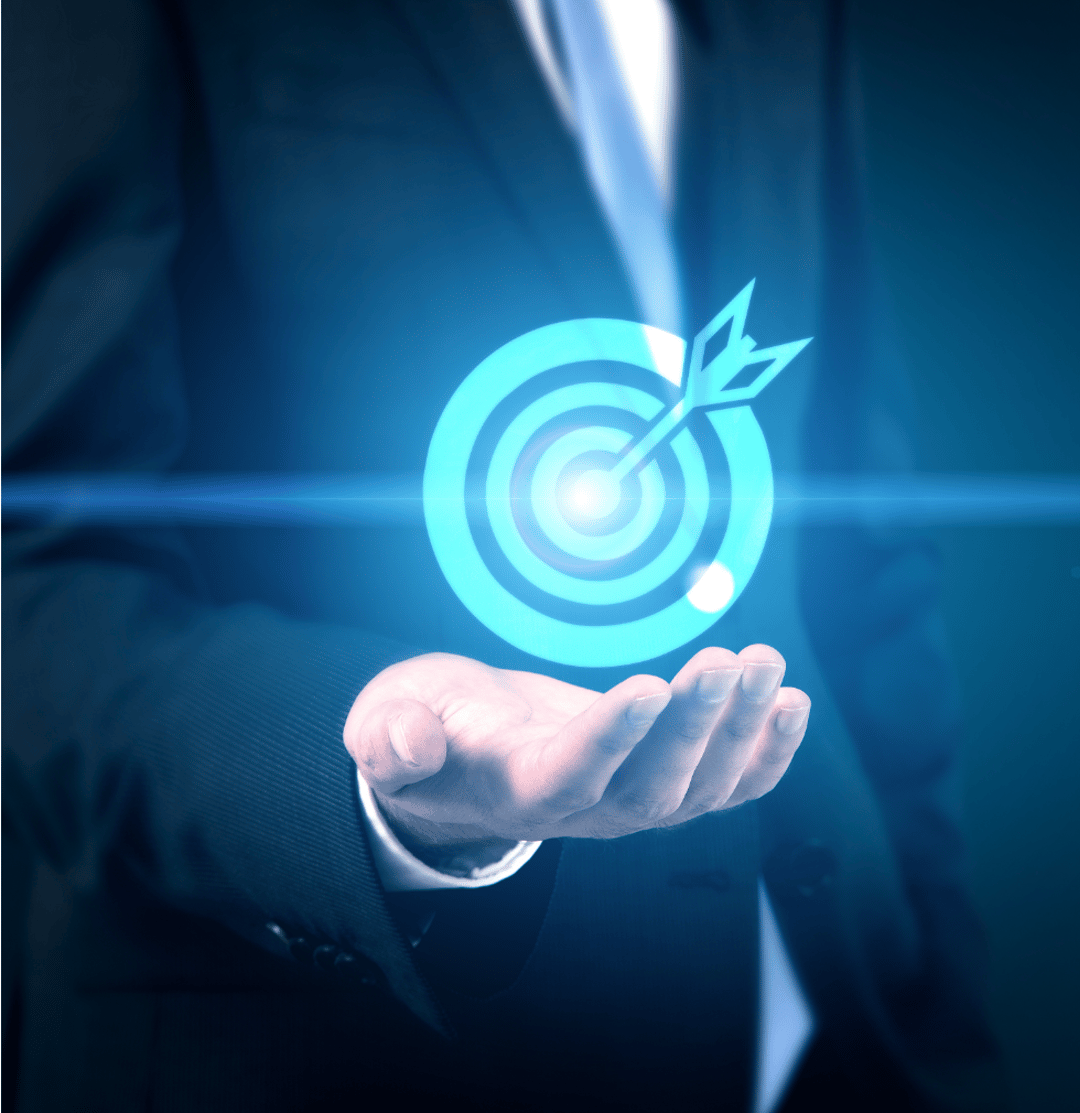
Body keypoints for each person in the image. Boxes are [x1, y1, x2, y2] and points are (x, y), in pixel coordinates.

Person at [1, 1, 1002, 1109]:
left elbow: (864, 552)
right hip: (357, 1059)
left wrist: (938, 1023)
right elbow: (38, 572)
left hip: (839, 1033)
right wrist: (373, 768)